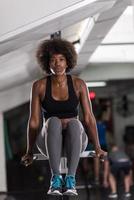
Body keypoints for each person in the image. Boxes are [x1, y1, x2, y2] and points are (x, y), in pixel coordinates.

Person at [21, 38, 107, 196]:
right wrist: (29, 151)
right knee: (52, 121)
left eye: (61, 59)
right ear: (48, 63)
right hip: (49, 142)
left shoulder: (79, 84)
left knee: (75, 123)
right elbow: (34, 122)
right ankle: (55, 179)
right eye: (53, 60)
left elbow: (88, 118)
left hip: (74, 140)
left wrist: (97, 147)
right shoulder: (39, 86)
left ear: (68, 62)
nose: (57, 64)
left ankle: (70, 180)